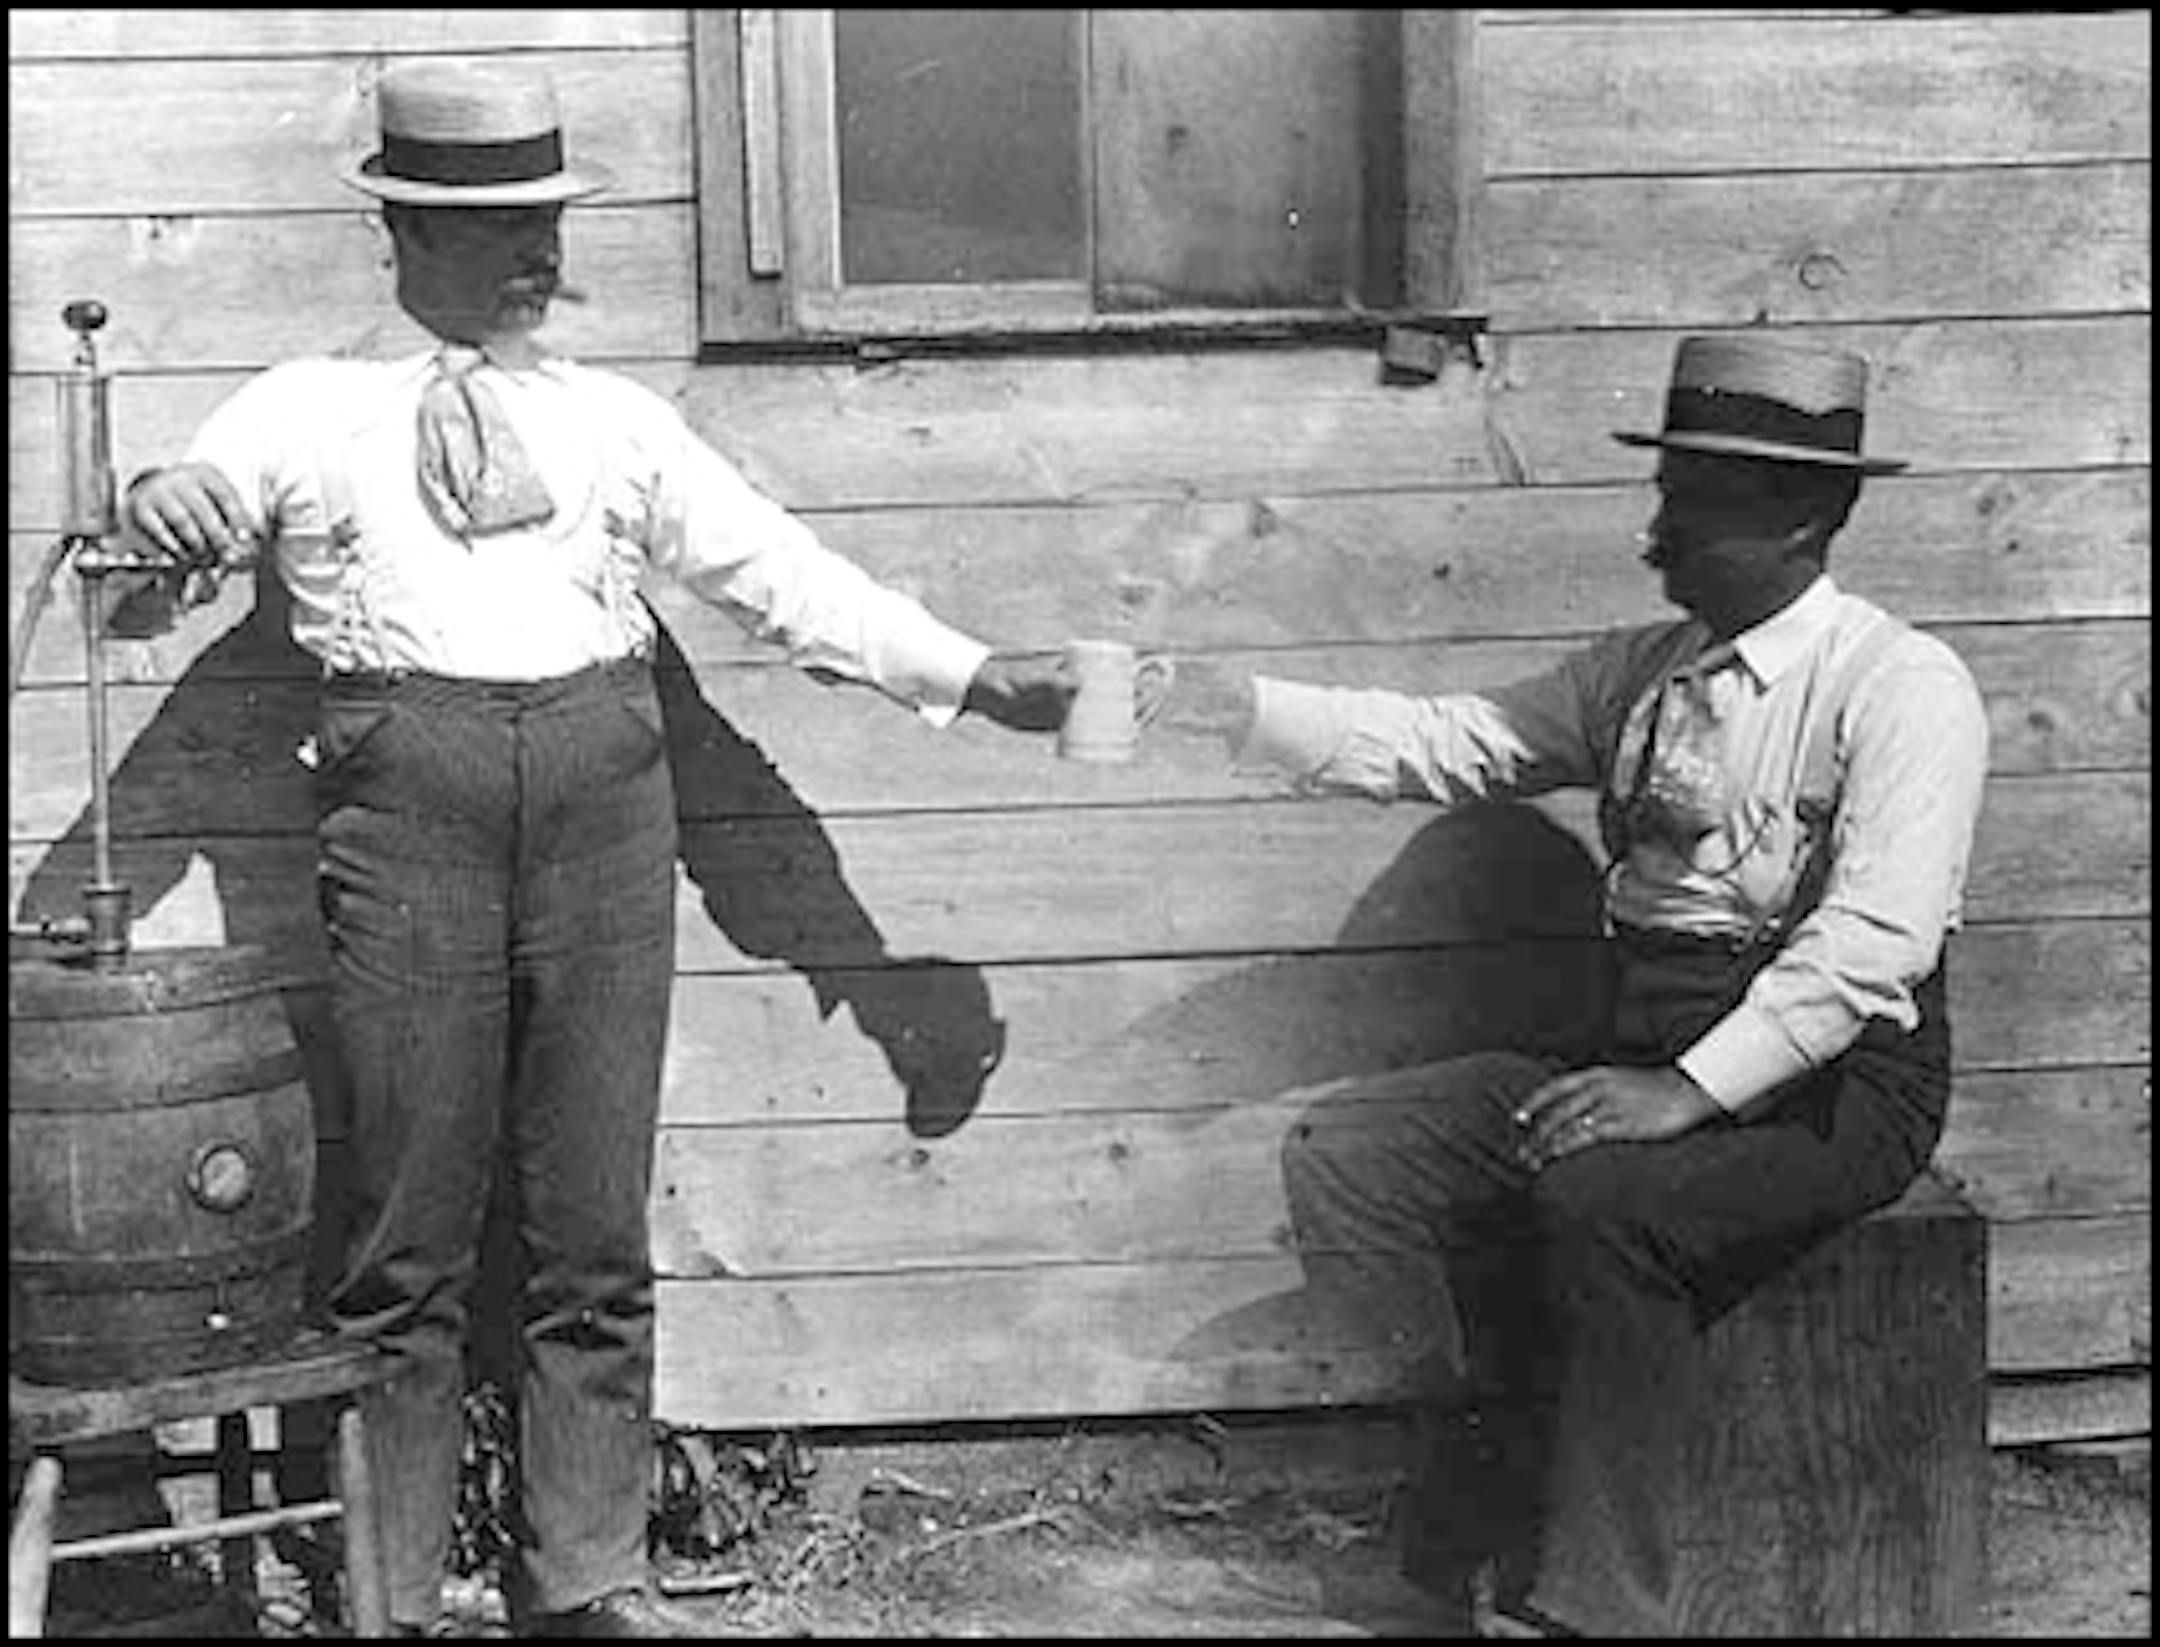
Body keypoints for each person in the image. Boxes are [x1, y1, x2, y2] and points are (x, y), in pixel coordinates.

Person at [121, 59, 1073, 1639]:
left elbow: (782, 575)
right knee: (406, 1238)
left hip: (603, 815)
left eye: (548, 219)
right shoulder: (299, 407)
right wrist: (168, 498)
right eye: (500, 225)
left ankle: (585, 1583)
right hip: (406, 817)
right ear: (405, 234)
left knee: (590, 1227)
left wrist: (974, 678)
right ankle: (388, 1593)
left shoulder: (619, 424)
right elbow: (184, 515)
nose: (539, 252)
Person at [1157, 334, 1990, 1635]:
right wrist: (1234, 706)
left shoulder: (1900, 689)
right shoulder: (1641, 675)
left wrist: (1686, 1091)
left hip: (1832, 1090)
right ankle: (1477, 1505)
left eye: (1690, 506)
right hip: (1639, 1045)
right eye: (1663, 497)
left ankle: (1602, 1608)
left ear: (1801, 517)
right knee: (1360, 1154)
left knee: (1596, 1204)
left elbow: (1873, 947)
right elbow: (1450, 743)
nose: (1655, 539)